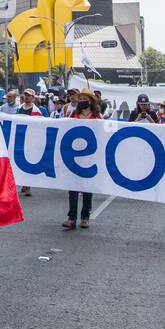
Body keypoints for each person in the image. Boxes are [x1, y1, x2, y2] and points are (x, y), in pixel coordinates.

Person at [64, 94, 100, 229]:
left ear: (91, 101)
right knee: (73, 187)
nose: (82, 101)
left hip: (90, 157)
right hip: (73, 156)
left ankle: (85, 217)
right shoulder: (74, 115)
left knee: (87, 187)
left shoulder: (97, 117)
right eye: (81, 99)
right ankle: (71, 218)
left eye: (85, 99)